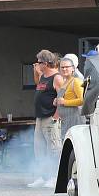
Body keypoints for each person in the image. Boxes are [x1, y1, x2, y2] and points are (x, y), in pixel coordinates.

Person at [28, 50, 63, 188]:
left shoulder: (57, 78)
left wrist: (56, 116)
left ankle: (55, 176)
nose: (37, 64)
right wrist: (36, 71)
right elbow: (37, 82)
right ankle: (43, 176)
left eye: (39, 62)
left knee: (53, 148)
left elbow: (61, 97)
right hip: (40, 117)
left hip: (50, 117)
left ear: (46, 63)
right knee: (39, 148)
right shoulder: (43, 76)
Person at [55, 56, 85, 139]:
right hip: (66, 121)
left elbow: (82, 100)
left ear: (73, 68)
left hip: (75, 121)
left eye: (67, 67)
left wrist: (65, 102)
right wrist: (56, 100)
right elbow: (65, 97)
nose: (64, 69)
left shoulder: (76, 81)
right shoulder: (64, 82)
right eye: (62, 67)